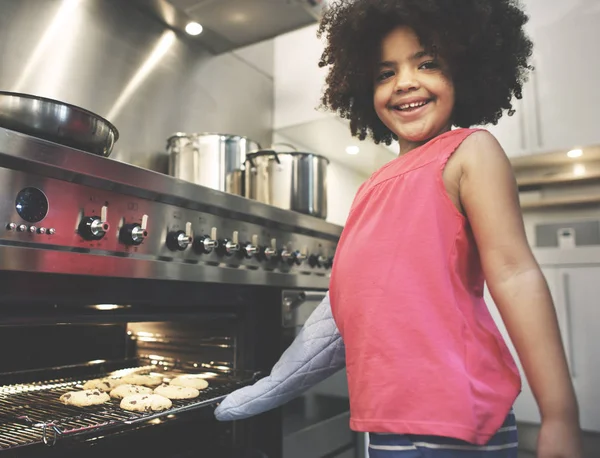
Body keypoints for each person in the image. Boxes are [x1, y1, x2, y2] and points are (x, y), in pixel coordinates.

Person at [216, 1, 583, 456]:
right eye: (384, 73)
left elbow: (515, 274)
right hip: (382, 416)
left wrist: (561, 415)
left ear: (465, 71)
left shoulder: (470, 152)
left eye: (427, 63)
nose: (405, 81)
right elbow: (345, 305)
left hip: (455, 412)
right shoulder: (371, 186)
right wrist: (273, 385)